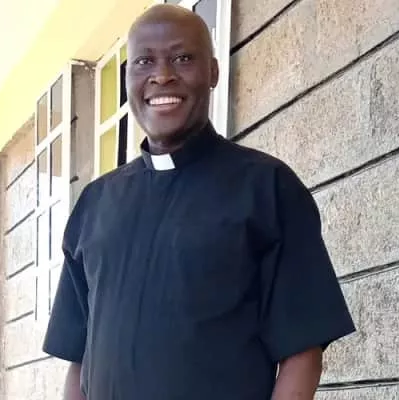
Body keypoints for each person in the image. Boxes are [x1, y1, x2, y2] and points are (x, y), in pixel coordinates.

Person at [43, 4, 355, 400]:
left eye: (182, 58)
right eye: (144, 61)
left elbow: (302, 352)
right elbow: (79, 358)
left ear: (213, 72)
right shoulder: (95, 204)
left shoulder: (266, 188)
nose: (162, 75)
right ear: (127, 79)